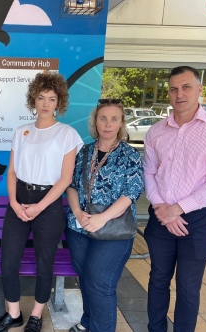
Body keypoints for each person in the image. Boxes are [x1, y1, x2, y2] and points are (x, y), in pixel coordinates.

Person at [0, 71, 83, 332]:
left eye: (51, 99)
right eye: (41, 97)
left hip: (49, 203)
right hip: (19, 199)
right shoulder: (22, 131)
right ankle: (14, 313)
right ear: (33, 99)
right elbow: (12, 172)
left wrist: (40, 206)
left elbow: (65, 179)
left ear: (59, 102)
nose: (45, 103)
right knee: (8, 261)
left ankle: (37, 316)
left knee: (45, 262)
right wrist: (15, 203)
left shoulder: (67, 134)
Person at [143, 66, 206, 332]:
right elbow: (149, 171)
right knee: (158, 278)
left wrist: (178, 209)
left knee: (188, 286)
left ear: (200, 90)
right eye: (173, 89)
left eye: (186, 87)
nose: (179, 94)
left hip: (199, 219)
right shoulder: (156, 131)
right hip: (161, 215)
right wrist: (162, 209)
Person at [65, 99, 144, 332]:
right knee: (87, 278)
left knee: (100, 284)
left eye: (114, 119)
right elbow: (71, 185)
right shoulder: (84, 151)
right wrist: (78, 213)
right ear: (95, 122)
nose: (108, 124)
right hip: (80, 228)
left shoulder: (130, 155)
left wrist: (102, 218)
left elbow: (131, 193)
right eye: (103, 118)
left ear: (121, 123)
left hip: (114, 230)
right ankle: (88, 321)